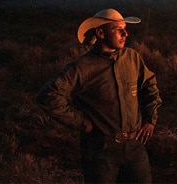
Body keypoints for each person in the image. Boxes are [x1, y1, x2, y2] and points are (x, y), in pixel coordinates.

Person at [37, 9, 162, 183]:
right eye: (118, 29)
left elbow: (150, 84)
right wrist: (81, 122)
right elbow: (48, 95)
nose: (125, 33)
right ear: (101, 33)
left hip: (135, 147)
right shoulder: (82, 67)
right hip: (101, 152)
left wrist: (150, 119)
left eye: (125, 28)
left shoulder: (132, 58)